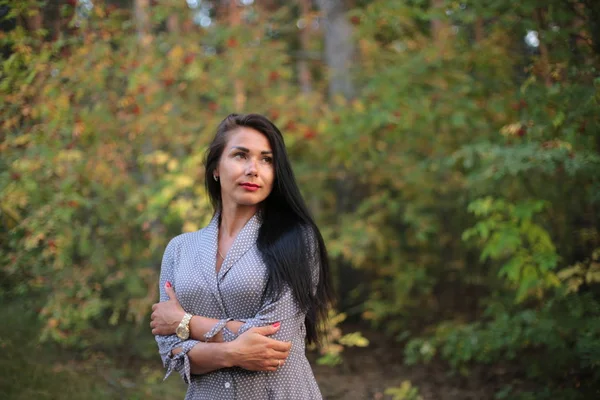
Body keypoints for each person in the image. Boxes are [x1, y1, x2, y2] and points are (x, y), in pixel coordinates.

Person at [150, 113, 333, 399]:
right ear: (216, 168)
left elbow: (274, 341)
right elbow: (172, 354)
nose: (253, 169)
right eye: (240, 155)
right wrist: (234, 352)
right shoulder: (179, 250)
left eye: (267, 159)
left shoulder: (297, 239)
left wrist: (184, 323)